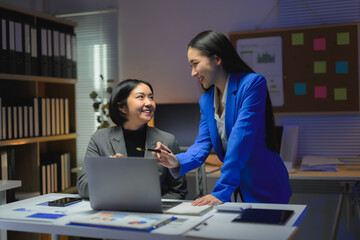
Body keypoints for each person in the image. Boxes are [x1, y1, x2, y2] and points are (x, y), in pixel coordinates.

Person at [154, 30, 292, 206]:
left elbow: (240, 139)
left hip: (264, 184)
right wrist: (176, 161)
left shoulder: (252, 84)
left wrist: (222, 189)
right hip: (237, 190)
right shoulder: (206, 100)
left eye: (195, 64)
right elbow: (202, 144)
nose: (193, 73)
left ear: (217, 59)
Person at [77, 79, 188, 200]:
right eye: (141, 97)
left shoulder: (167, 140)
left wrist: (153, 206)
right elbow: (83, 188)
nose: (149, 103)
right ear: (122, 107)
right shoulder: (99, 139)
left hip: (154, 213)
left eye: (151, 97)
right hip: (112, 210)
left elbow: (179, 191)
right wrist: (106, 173)